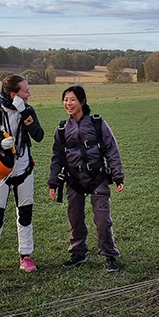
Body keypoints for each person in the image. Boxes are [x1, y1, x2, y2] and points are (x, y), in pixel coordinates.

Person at [47, 85, 125, 272]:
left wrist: (118, 175)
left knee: (103, 220)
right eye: (65, 99)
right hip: (74, 180)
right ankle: (78, 252)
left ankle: (109, 254)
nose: (68, 103)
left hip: (97, 177)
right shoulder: (62, 128)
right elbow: (57, 157)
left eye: (72, 99)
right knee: (75, 218)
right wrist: (53, 182)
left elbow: (111, 150)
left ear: (82, 101)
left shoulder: (98, 123)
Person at [0, 74, 44, 277]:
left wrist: (23, 111)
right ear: (14, 94)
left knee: (25, 214)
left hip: (24, 170)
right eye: (26, 90)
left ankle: (26, 256)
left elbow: (38, 136)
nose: (29, 93)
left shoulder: (27, 111)